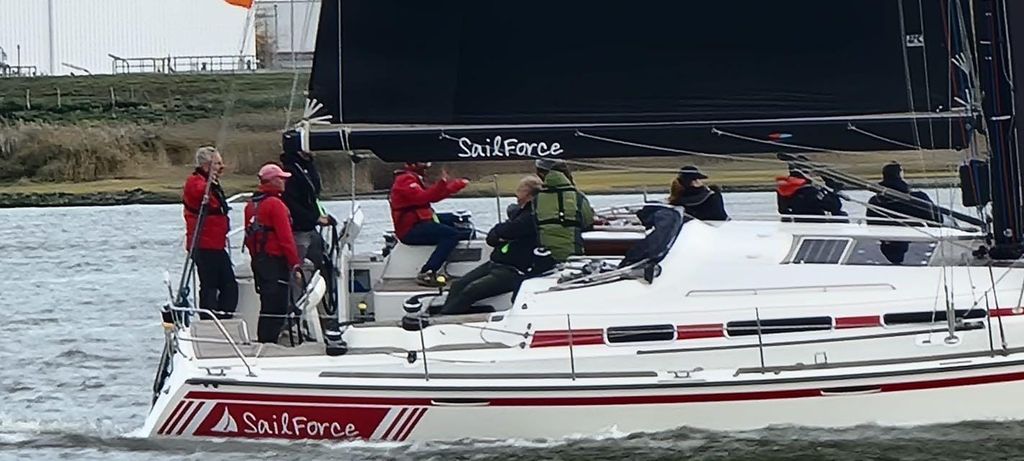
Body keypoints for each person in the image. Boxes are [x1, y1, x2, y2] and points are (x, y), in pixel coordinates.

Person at [435, 176, 552, 316]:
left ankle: (446, 318)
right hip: (496, 263)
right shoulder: (519, 214)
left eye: (520, 191)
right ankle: (445, 313)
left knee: (472, 289)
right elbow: (494, 237)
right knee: (457, 285)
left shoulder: (532, 216)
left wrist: (500, 233)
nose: (516, 195)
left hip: (513, 271)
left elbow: (507, 230)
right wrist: (500, 233)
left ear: (528, 194)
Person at [244, 163, 301, 343]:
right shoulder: (275, 205)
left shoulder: (251, 205)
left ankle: (264, 341)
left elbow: (249, 238)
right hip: (275, 263)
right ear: (273, 181)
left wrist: (256, 259)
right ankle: (268, 343)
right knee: (277, 307)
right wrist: (295, 264)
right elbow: (286, 238)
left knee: (266, 305)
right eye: (282, 178)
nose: (285, 181)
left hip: (259, 262)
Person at [389, 162, 471, 286]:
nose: (427, 167)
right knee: (451, 235)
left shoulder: (413, 179)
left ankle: (447, 266)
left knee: (460, 224)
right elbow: (425, 197)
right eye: (424, 163)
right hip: (410, 229)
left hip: (422, 220)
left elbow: (435, 195)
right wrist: (442, 182)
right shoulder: (405, 181)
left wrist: (456, 185)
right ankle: (427, 271)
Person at [182, 146, 238, 319]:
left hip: (215, 242)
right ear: (208, 165)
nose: (222, 167)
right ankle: (210, 319)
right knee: (211, 285)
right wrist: (207, 188)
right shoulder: (197, 183)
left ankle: (222, 316)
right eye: (218, 163)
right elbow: (199, 194)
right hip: (204, 243)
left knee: (227, 285)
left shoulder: (209, 183)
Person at [866, 162, 943, 264]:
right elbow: (937, 220)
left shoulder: (874, 201)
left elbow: (871, 225)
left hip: (888, 234)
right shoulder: (919, 198)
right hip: (918, 233)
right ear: (901, 175)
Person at [534, 158, 595, 262]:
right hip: (573, 254)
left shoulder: (536, 199)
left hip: (544, 256)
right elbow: (588, 223)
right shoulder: (578, 197)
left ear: (541, 174)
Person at [280, 149, 332, 267]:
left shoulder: (306, 168)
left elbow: (313, 196)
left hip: (310, 228)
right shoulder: (290, 171)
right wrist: (314, 218)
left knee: (321, 260)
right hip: (299, 230)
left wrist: (320, 215)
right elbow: (292, 204)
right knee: (303, 266)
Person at [776, 167, 847, 223]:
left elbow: (782, 210)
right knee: (841, 215)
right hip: (817, 224)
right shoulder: (812, 191)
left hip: (798, 223)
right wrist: (832, 188)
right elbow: (833, 206)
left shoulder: (783, 190)